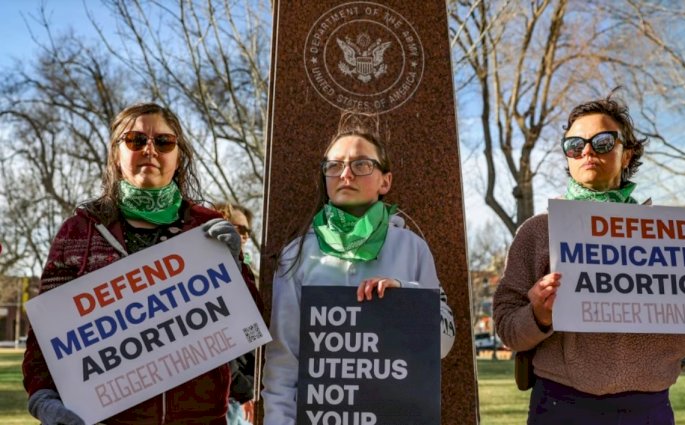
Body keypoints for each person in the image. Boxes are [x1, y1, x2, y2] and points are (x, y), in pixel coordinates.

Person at [492, 92, 685, 425]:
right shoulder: (537, 232)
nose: (586, 150)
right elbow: (507, 327)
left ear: (626, 155)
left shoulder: (675, 234)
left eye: (601, 141)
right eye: (574, 144)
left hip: (649, 409)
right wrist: (539, 315)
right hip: (560, 406)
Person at [22, 103, 260, 425]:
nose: (150, 149)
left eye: (163, 142)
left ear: (178, 157)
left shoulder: (206, 227)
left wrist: (237, 268)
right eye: (135, 140)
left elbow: (251, 323)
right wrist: (43, 397)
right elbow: (46, 335)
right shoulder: (79, 230)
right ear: (116, 155)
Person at [261, 114, 456, 424]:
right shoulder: (296, 256)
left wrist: (406, 300)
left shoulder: (413, 248)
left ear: (385, 181)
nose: (346, 174)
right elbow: (283, 360)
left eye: (361, 164)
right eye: (334, 165)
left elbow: (444, 345)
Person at [214, 202, 257, 425]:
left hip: (240, 399)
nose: (241, 236)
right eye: (234, 228)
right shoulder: (206, 277)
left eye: (245, 231)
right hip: (221, 398)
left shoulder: (247, 277)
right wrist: (245, 390)